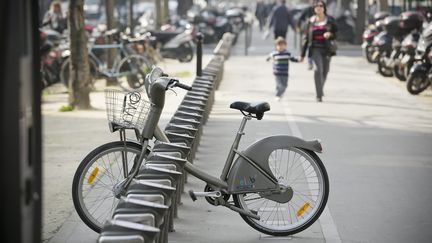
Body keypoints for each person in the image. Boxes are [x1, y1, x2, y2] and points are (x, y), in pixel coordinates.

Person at [300, 0, 337, 102]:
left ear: (324, 8)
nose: (319, 7)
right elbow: (306, 38)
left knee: (325, 71)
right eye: (317, 6)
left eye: (321, 6)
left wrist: (330, 34)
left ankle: (320, 88)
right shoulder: (310, 21)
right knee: (318, 69)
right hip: (315, 48)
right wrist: (302, 54)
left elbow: (336, 34)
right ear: (314, 9)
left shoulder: (330, 20)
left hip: (327, 48)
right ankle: (318, 95)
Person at [267, 37, 299, 101]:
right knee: (279, 84)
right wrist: (268, 58)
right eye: (279, 45)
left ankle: (280, 93)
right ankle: (278, 95)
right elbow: (269, 56)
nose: (280, 47)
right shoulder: (274, 53)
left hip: (285, 73)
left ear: (285, 46)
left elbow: (292, 59)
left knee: (285, 85)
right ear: (276, 46)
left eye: (282, 45)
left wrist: (298, 60)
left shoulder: (287, 53)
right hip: (277, 73)